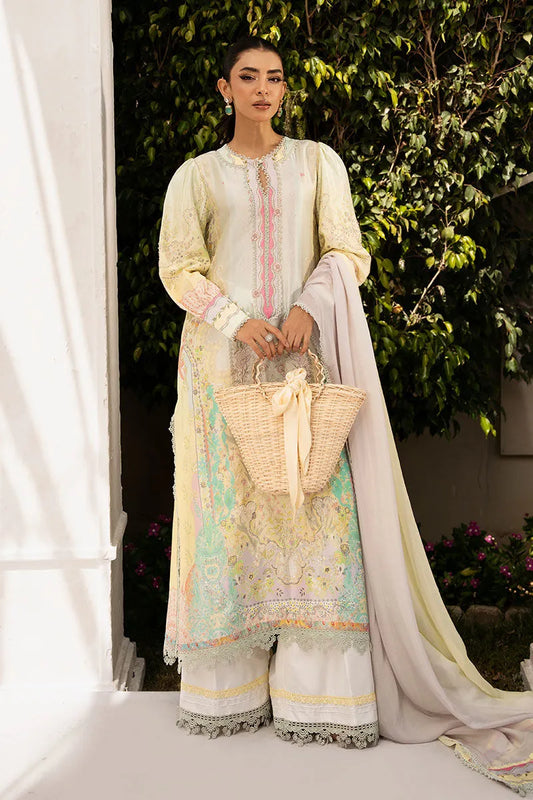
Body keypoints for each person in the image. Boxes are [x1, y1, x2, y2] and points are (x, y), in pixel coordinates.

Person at [159, 35, 533, 793]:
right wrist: (237, 321)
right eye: (248, 77)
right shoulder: (196, 176)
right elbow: (178, 266)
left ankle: (318, 696)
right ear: (223, 89)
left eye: (275, 77)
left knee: (313, 515)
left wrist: (303, 308)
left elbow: (345, 251)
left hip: (304, 359)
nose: (263, 89)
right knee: (229, 515)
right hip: (221, 370)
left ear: (285, 90)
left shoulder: (317, 161)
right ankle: (227, 691)